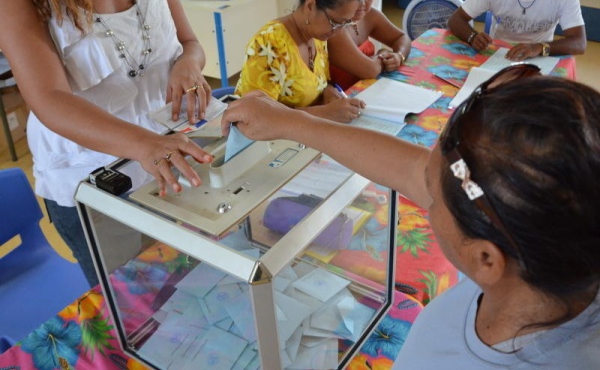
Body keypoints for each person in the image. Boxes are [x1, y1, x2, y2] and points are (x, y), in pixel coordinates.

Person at [222, 66, 600, 368]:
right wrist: (291, 122)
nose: (423, 189)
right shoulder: (560, 252)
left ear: (486, 259)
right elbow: (415, 169)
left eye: (432, 197)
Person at [0, 0, 215, 288]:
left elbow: (189, 42)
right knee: (132, 301)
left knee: (173, 281)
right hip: (91, 176)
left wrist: (188, 63)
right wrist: (142, 143)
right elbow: (48, 98)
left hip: (160, 158)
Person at [234, 0, 366, 123]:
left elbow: (317, 83)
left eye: (346, 23)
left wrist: (328, 91)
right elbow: (256, 116)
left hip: (304, 133)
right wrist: (325, 113)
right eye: (335, 22)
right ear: (310, 5)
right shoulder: (269, 44)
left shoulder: (318, 37)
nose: (337, 31)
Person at [448, 0, 586, 61]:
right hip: (498, 56)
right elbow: (455, 20)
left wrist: (538, 48)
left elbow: (579, 43)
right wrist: (472, 37)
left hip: (540, 58)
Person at [327, 0, 411, 90]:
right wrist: (383, 53)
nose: (362, 3)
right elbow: (371, 70)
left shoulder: (369, 15)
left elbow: (402, 37)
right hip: (344, 97)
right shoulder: (333, 29)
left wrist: (399, 56)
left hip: (370, 89)